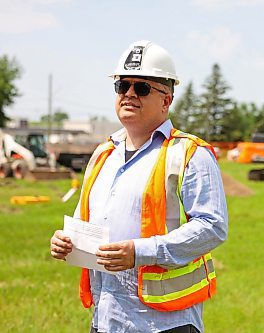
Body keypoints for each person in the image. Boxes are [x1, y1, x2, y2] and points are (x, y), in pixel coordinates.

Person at [50, 40, 228, 333]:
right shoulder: (102, 154)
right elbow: (85, 218)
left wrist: (141, 251)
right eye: (122, 86)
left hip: (163, 322)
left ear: (166, 100)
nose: (129, 94)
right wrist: (65, 239)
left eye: (142, 87)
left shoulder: (189, 153)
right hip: (106, 317)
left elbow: (212, 226)